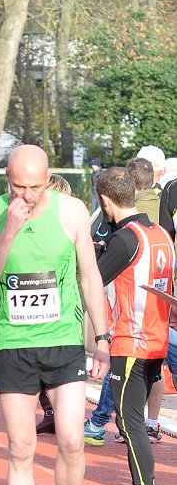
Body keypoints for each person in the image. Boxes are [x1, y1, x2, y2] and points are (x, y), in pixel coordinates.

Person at [0, 144, 110, 485]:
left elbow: (90, 275)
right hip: (14, 344)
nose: (26, 196)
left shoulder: (71, 211)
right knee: (21, 448)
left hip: (63, 341)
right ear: (6, 180)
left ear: (48, 179)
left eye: (34, 187)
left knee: (71, 439)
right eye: (18, 187)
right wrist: (8, 231)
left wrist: (102, 338)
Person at [95, 167, 175, 485]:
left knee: (130, 424)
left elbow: (92, 280)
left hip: (132, 341)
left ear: (105, 200)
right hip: (155, 339)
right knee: (133, 423)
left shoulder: (126, 239)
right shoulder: (160, 233)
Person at [84, 157, 166, 446]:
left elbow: (97, 278)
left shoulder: (130, 231)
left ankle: (100, 421)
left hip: (135, 323)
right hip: (157, 322)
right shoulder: (159, 221)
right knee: (150, 375)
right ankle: (148, 422)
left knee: (129, 409)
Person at [35, 173, 73, 435]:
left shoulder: (70, 228)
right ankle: (52, 412)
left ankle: (61, 414)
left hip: (63, 307)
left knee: (53, 364)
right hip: (38, 306)